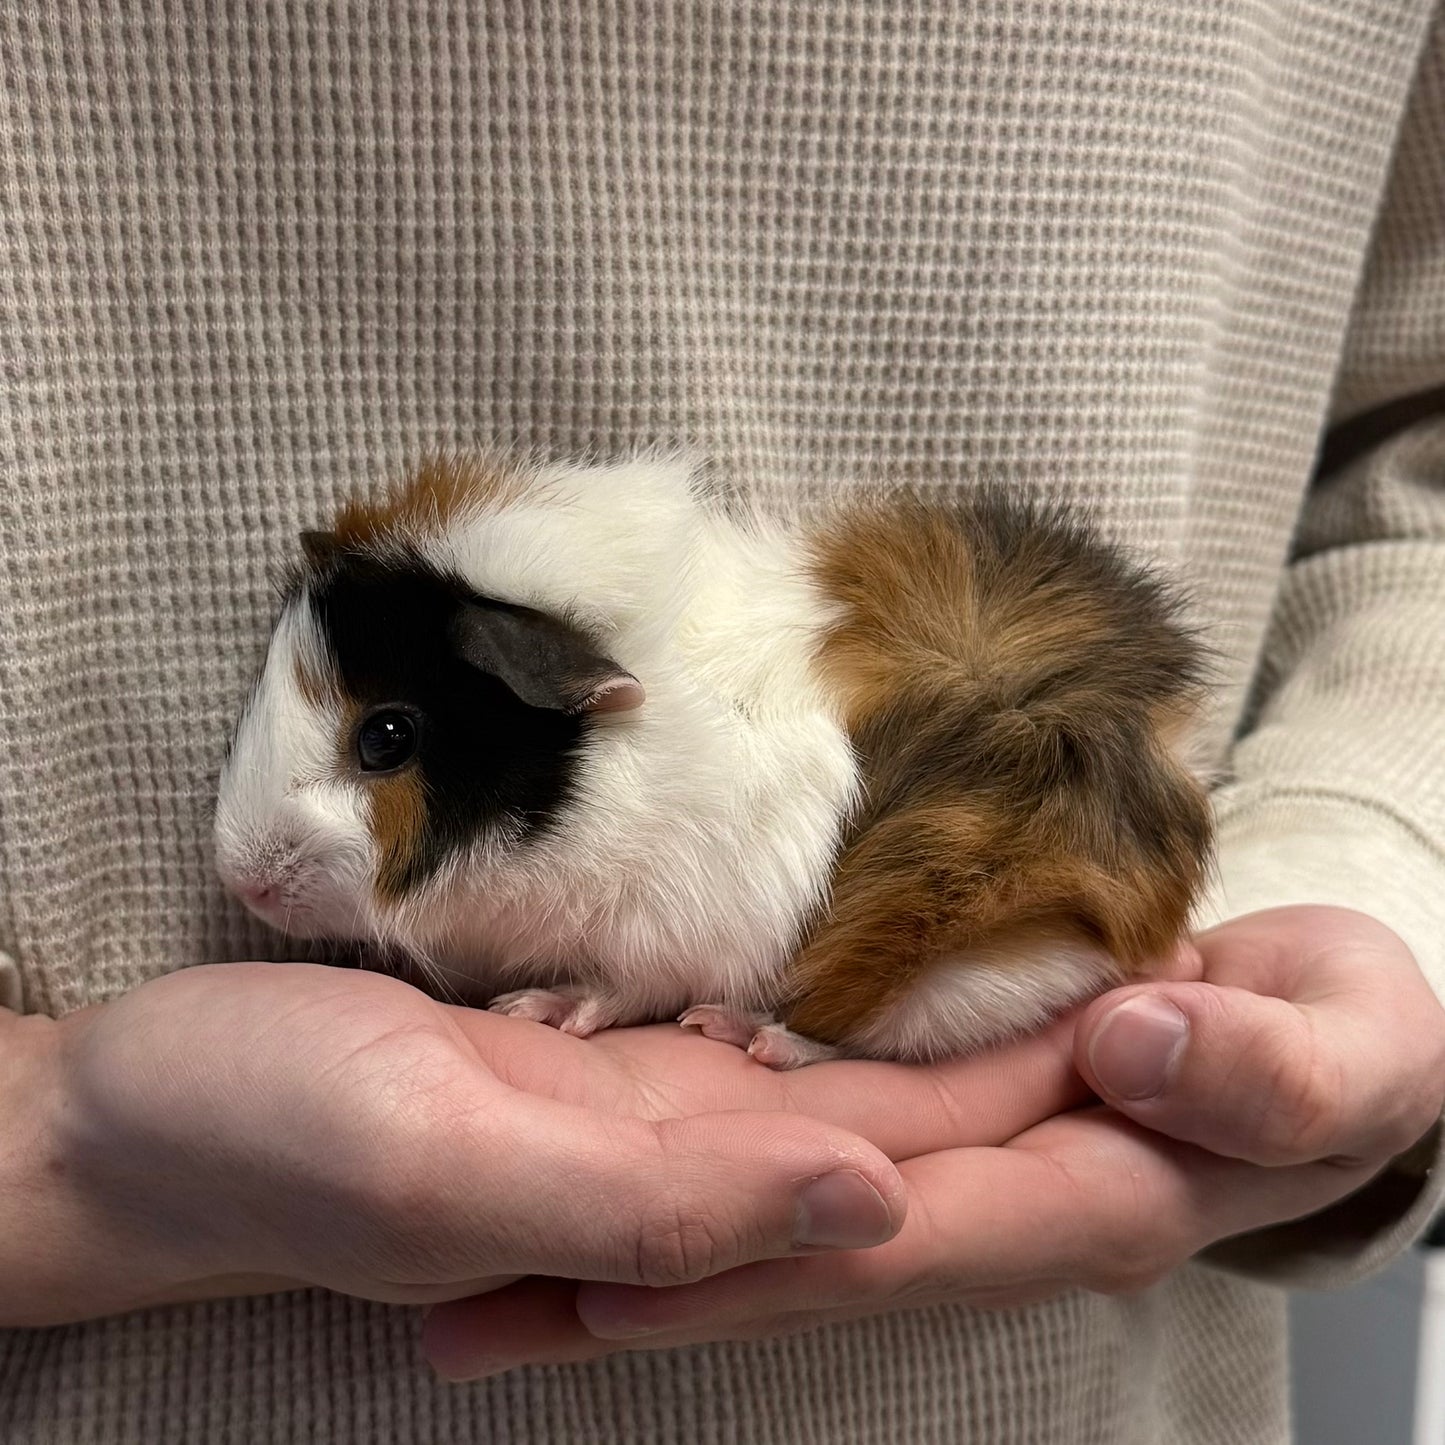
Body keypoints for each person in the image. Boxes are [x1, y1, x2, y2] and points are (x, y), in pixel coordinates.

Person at [2, 2, 1444, 1441]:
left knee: (887, 932)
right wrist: (42, 1143)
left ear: (574, 695)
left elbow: (1418, 467)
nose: (261, 853)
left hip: (1064, 1354)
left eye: (380, 747)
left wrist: (1368, 873)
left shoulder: (687, 766)